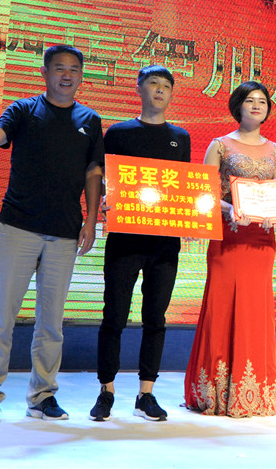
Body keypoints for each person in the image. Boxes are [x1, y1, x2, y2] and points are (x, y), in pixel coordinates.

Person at [0, 45, 104, 424]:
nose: (67, 75)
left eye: (74, 69)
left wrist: (90, 221)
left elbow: (93, 172)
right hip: (18, 227)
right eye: (59, 68)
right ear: (45, 72)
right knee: (1, 317)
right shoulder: (24, 110)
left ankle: (42, 396)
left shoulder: (90, 120)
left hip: (64, 232)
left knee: (51, 322)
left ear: (81, 76)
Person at [89, 65, 191, 422]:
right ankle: (106, 390)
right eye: (153, 84)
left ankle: (146, 393)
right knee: (114, 315)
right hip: (125, 239)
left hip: (165, 243)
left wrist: (191, 217)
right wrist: (104, 201)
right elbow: (104, 177)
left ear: (171, 94)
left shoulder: (180, 136)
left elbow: (185, 186)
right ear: (139, 89)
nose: (160, 90)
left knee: (155, 318)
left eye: (166, 86)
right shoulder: (119, 132)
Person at [184, 81, 276, 417]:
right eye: (250, 100)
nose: (257, 105)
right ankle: (215, 391)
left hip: (261, 240)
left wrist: (274, 213)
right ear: (237, 106)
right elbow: (204, 192)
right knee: (222, 306)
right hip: (228, 237)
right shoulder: (220, 145)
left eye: (262, 101)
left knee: (255, 310)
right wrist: (230, 209)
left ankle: (254, 392)